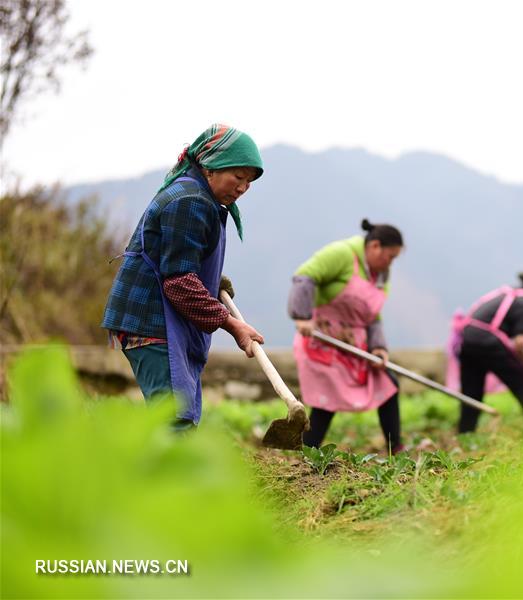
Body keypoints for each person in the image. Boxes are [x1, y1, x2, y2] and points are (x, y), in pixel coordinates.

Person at [102, 124, 265, 429]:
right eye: (238, 177)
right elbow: (178, 282)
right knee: (174, 420)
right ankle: (157, 477)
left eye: (249, 181)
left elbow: (178, 256)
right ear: (210, 167)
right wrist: (232, 325)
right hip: (151, 319)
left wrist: (213, 280)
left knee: (177, 416)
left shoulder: (193, 193)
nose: (243, 187)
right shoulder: (191, 201)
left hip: (157, 319)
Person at [289, 219, 405, 452]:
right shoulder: (342, 254)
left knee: (388, 384)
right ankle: (307, 453)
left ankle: (396, 448)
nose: (390, 263)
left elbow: (373, 316)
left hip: (355, 345)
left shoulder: (381, 275)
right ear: (374, 246)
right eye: (389, 256)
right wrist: (302, 315)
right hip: (323, 341)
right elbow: (305, 276)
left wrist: (379, 347)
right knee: (326, 402)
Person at [447, 269, 523, 434]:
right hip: (488, 343)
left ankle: (466, 433)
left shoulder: (510, 293)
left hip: (468, 340)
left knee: (472, 392)